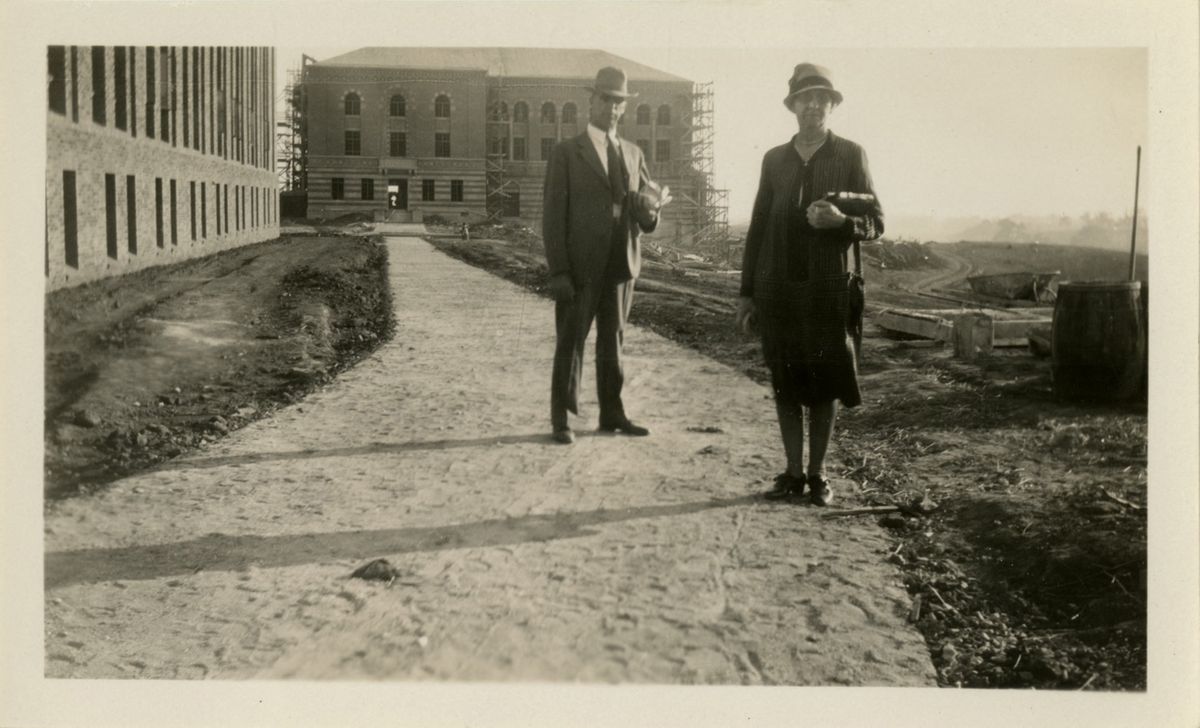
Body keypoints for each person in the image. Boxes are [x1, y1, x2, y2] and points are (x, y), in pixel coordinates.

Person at [736, 63, 884, 506]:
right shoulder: (774, 160)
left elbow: (876, 222)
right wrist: (747, 293)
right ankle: (792, 472)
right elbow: (758, 228)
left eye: (822, 97)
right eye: (805, 98)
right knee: (785, 380)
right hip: (777, 288)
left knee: (825, 382)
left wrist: (843, 222)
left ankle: (818, 476)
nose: (813, 105)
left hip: (827, 290)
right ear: (793, 106)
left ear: (832, 105)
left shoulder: (850, 154)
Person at [543, 67, 672, 444]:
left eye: (619, 103)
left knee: (612, 341)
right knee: (571, 340)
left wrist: (652, 212)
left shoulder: (633, 153)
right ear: (591, 101)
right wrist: (560, 271)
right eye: (606, 99)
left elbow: (648, 212)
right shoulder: (567, 153)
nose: (612, 108)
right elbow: (553, 217)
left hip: (620, 264)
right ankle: (561, 419)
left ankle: (612, 414)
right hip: (580, 268)